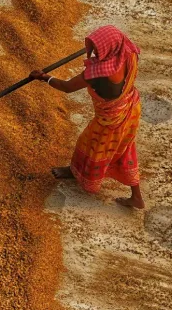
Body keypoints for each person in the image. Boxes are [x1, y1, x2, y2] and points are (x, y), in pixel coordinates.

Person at [30, 26, 145, 209]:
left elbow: (67, 87)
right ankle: (136, 196)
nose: (94, 53)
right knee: (124, 148)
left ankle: (78, 174)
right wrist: (94, 50)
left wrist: (44, 77)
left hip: (111, 120)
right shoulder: (127, 53)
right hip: (131, 108)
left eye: (97, 49)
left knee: (91, 146)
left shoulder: (99, 74)